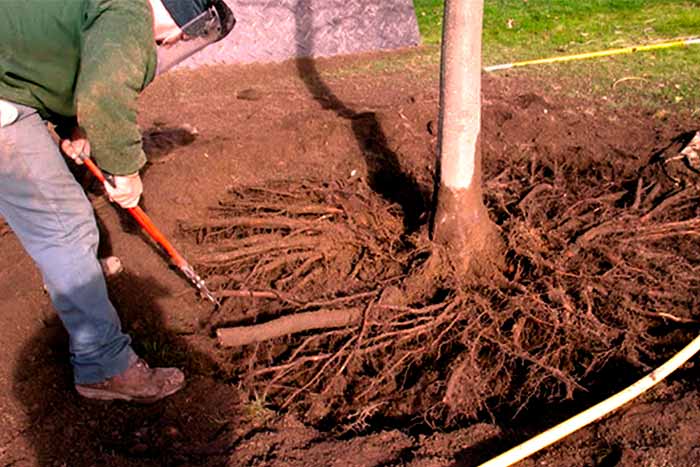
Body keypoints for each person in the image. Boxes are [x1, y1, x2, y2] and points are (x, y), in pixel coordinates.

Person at [0, 0, 234, 403]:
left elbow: (58, 55)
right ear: (183, 24)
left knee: (65, 226)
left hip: (11, 84)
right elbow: (104, 91)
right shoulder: (130, 15)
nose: (172, 43)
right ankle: (103, 367)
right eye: (182, 37)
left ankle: (75, 274)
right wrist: (125, 173)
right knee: (65, 228)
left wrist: (77, 127)